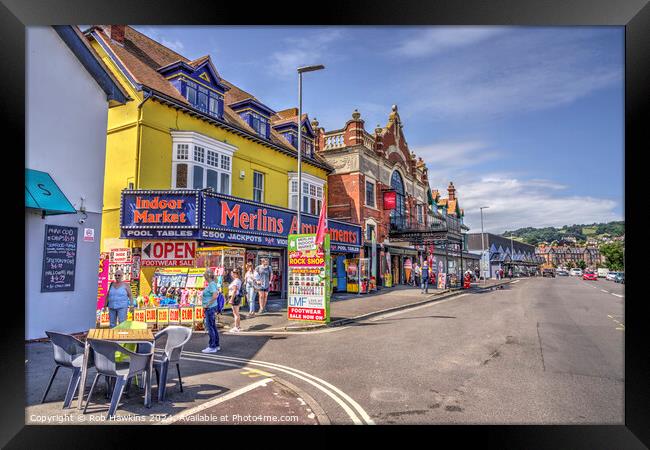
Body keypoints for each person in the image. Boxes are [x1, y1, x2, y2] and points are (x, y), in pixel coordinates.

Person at [201, 269, 221, 353]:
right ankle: (215, 345)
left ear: (207, 276)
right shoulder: (212, 284)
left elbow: (215, 295)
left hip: (210, 308)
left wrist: (207, 304)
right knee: (213, 326)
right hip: (211, 308)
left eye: (204, 276)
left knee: (210, 327)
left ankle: (212, 346)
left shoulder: (211, 284)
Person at [228, 269, 243, 333]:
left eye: (232, 273)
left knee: (235, 313)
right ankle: (238, 326)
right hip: (236, 297)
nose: (231, 274)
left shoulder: (236, 281)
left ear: (235, 274)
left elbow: (234, 290)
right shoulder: (237, 280)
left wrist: (231, 299)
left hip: (234, 297)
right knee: (237, 313)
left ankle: (236, 327)